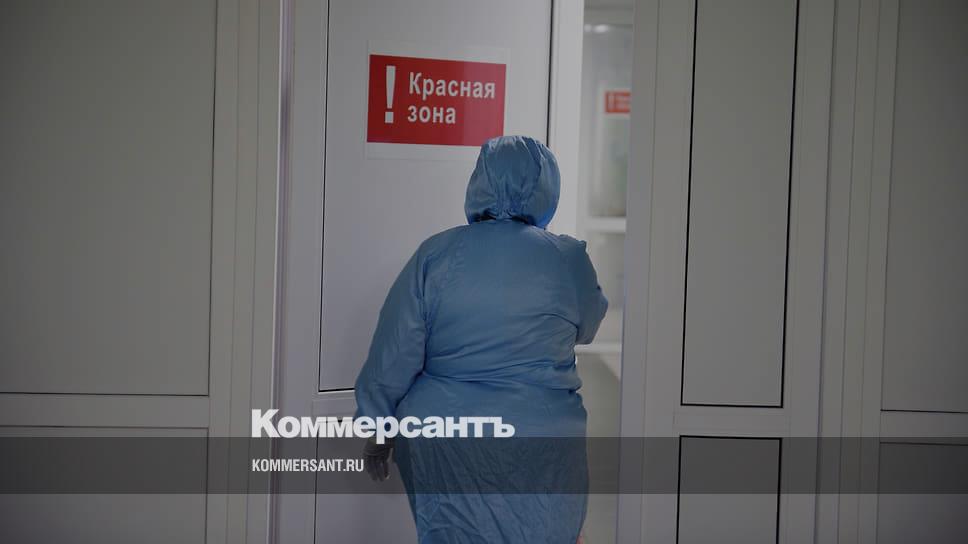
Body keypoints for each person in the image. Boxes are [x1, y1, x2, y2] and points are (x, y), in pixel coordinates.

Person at [354, 135, 608, 543]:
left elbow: (394, 352)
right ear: (547, 188)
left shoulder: (435, 254)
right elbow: (589, 326)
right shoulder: (568, 259)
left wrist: (377, 426)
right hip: (540, 438)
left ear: (479, 182)